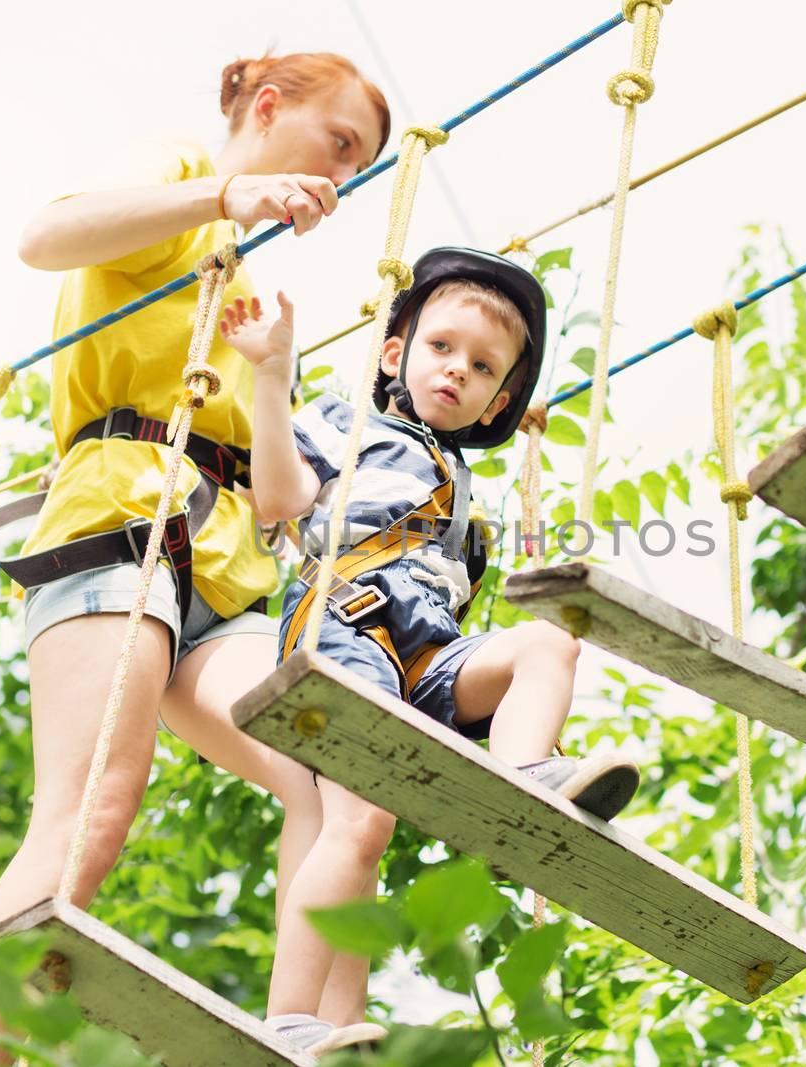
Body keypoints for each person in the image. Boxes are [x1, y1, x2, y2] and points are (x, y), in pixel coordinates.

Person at [0, 52, 392, 1065]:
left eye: (357, 161)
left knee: (329, 776)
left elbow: (281, 500)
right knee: (91, 807)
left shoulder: (244, 288)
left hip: (225, 562)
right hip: (121, 520)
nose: (343, 173)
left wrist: (274, 373)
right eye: (339, 142)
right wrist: (225, 190)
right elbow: (43, 235)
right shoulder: (180, 178)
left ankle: (302, 1023)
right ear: (268, 108)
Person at [218, 247, 642, 1046]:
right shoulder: (344, 423)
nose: (455, 371)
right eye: (440, 348)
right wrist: (273, 378)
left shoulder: (462, 487)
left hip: (428, 654)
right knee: (360, 824)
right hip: (346, 629)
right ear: (394, 354)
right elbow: (278, 499)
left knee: (546, 643)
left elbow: (456, 607)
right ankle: (290, 1019)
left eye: (481, 368)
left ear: (497, 400)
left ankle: (526, 776)